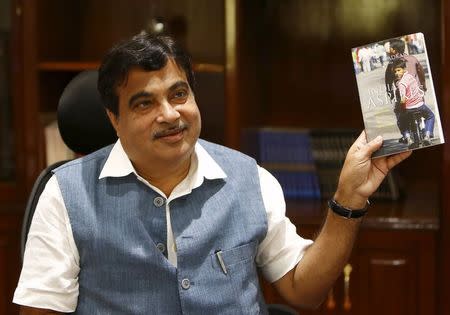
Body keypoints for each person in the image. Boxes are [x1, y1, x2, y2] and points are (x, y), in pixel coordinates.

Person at [13, 33, 411, 314]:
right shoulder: (65, 194)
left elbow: (303, 291)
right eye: (144, 103)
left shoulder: (250, 179)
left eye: (179, 94)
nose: (169, 114)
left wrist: (349, 198)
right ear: (114, 119)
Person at [385, 38, 427, 143]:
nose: (388, 50)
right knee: (422, 109)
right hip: (417, 92)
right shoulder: (413, 59)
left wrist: (390, 93)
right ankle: (423, 125)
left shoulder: (392, 64)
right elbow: (421, 74)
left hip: (402, 95)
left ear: (394, 50)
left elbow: (388, 81)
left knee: (399, 114)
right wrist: (423, 86)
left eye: (390, 48)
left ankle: (407, 136)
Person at [392, 58, 435, 147]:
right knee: (430, 116)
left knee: (401, 121)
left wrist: (402, 108)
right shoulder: (411, 77)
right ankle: (427, 136)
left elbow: (403, 99)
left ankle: (408, 138)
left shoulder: (401, 84)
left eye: (399, 70)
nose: (397, 73)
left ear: (404, 69)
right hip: (420, 105)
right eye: (395, 71)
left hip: (409, 108)